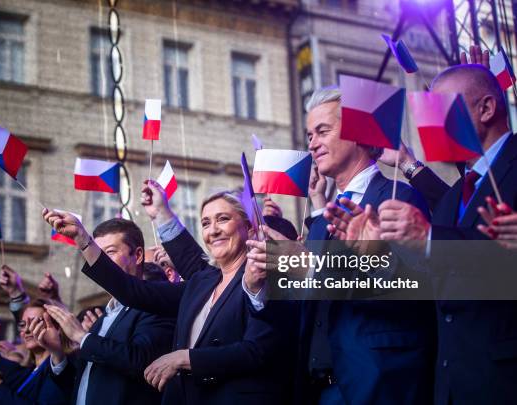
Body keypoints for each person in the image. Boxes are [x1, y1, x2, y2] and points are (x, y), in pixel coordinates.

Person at [328, 64, 517, 404]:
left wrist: (427, 240)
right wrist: (378, 256)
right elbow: (434, 283)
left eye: (441, 108)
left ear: (486, 108)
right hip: (451, 384)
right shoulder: (456, 195)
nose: (428, 123)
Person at [244, 86, 436, 405]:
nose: (313, 144)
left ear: (358, 133)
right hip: (319, 388)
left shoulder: (397, 198)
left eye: (322, 131)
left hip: (380, 380)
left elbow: (412, 288)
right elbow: (308, 307)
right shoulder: (321, 223)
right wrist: (260, 288)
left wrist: (308, 267)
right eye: (309, 135)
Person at [42, 186, 294, 405]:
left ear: (248, 227)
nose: (213, 230)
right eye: (205, 223)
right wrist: (83, 240)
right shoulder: (201, 284)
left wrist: (186, 358)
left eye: (223, 219)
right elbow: (132, 290)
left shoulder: (266, 275)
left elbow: (259, 352)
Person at [40, 218, 175, 405]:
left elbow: (141, 361)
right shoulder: (106, 314)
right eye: (98, 253)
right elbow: (85, 383)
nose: (101, 260)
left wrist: (82, 337)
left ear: (137, 255)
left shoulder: (156, 304)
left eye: (110, 252)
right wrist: (57, 354)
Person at [0, 299, 71, 405]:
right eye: (23, 324)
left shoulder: (62, 370)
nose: (26, 330)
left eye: (35, 323)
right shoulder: (26, 372)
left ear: (57, 328)